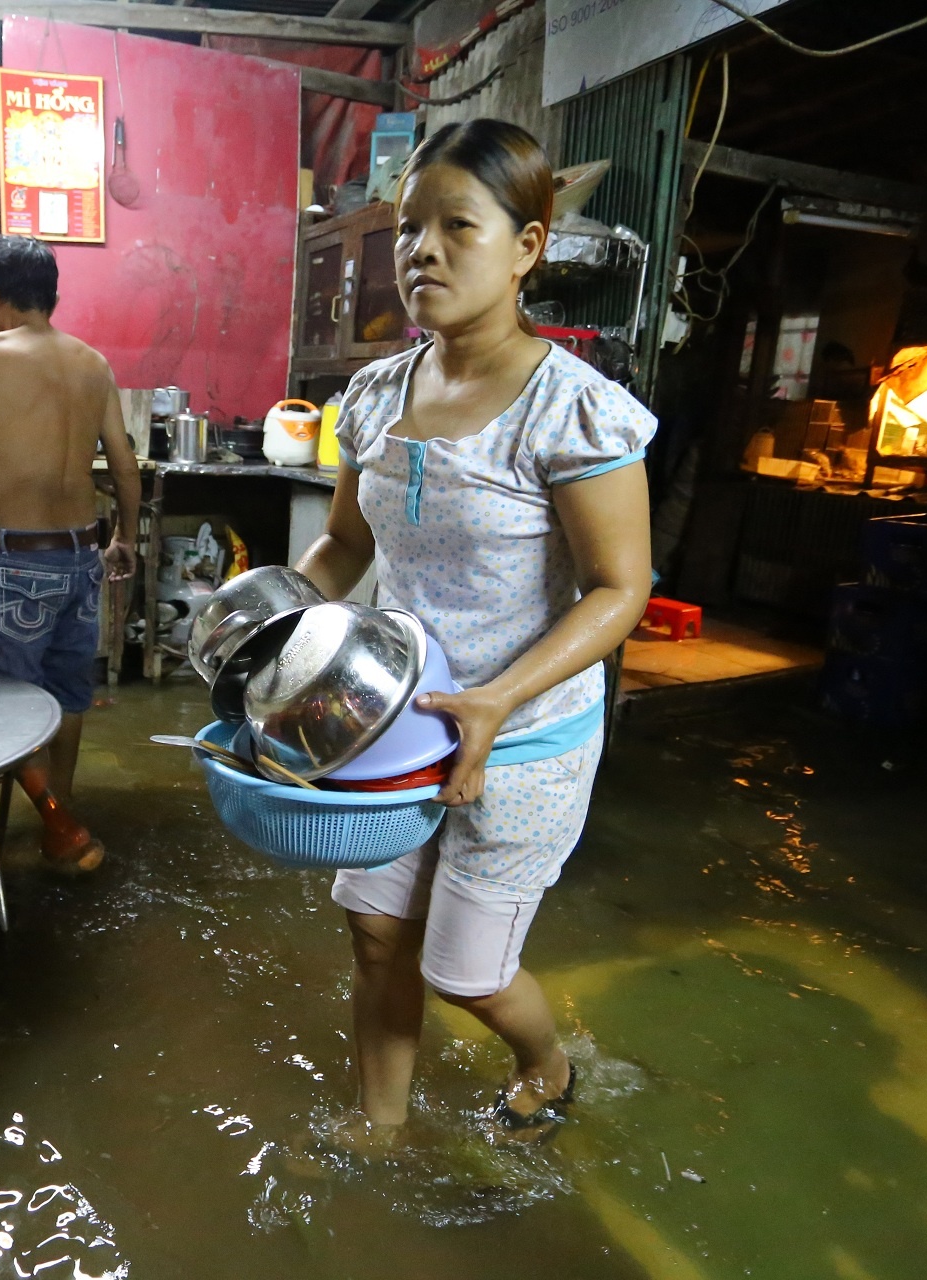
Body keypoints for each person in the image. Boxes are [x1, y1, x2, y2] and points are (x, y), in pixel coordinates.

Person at [295, 119, 655, 1139]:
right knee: (373, 932)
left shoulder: (575, 411)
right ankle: (379, 1122)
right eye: (410, 229)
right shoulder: (373, 396)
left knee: (466, 968)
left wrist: (498, 697)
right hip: (396, 728)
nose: (423, 251)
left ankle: (546, 1064)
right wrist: (279, 619)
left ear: (528, 247)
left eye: (459, 225)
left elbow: (619, 587)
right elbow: (343, 546)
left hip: (523, 737)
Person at [0, 236, 142, 873]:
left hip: (18, 563)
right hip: (82, 558)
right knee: (69, 696)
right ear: (52, 296)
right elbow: (124, 468)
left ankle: (59, 824)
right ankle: (59, 815)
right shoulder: (92, 363)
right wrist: (123, 538)